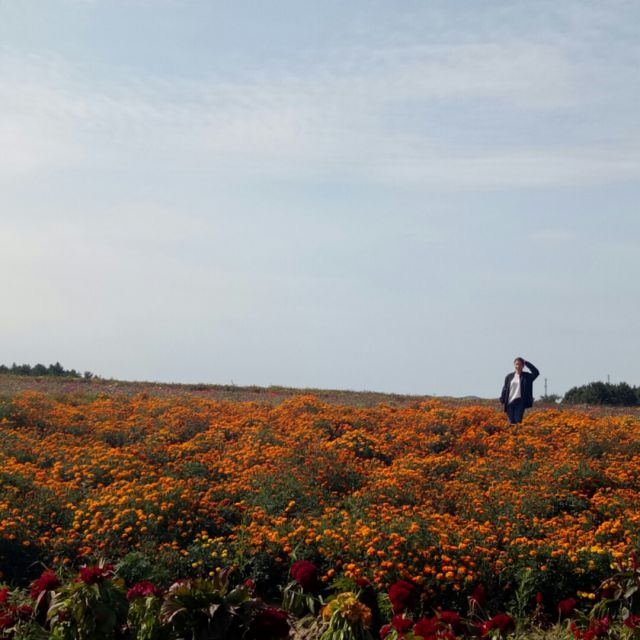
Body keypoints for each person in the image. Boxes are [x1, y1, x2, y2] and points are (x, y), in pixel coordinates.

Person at [500, 358, 540, 425]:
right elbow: (505, 388)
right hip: (510, 402)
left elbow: (536, 372)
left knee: (517, 421)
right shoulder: (509, 376)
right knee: (511, 422)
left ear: (523, 366)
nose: (518, 366)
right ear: (514, 365)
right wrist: (502, 399)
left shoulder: (527, 376)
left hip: (520, 402)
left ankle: (517, 431)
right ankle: (512, 432)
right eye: (516, 364)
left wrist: (527, 363)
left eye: (520, 364)